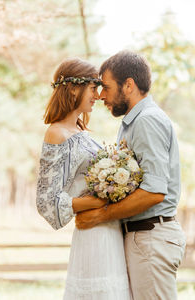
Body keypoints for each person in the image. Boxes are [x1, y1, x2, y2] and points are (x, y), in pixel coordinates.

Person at [76, 50, 186, 300]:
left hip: (151, 238)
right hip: (143, 238)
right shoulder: (133, 122)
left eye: (105, 86)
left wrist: (100, 216)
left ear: (128, 85)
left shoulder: (147, 121)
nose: (101, 95)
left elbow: (154, 192)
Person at [36, 57, 131, 299]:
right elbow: (46, 201)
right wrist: (95, 202)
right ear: (74, 88)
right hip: (92, 232)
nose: (98, 95)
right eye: (93, 88)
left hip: (110, 228)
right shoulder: (56, 133)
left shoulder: (81, 132)